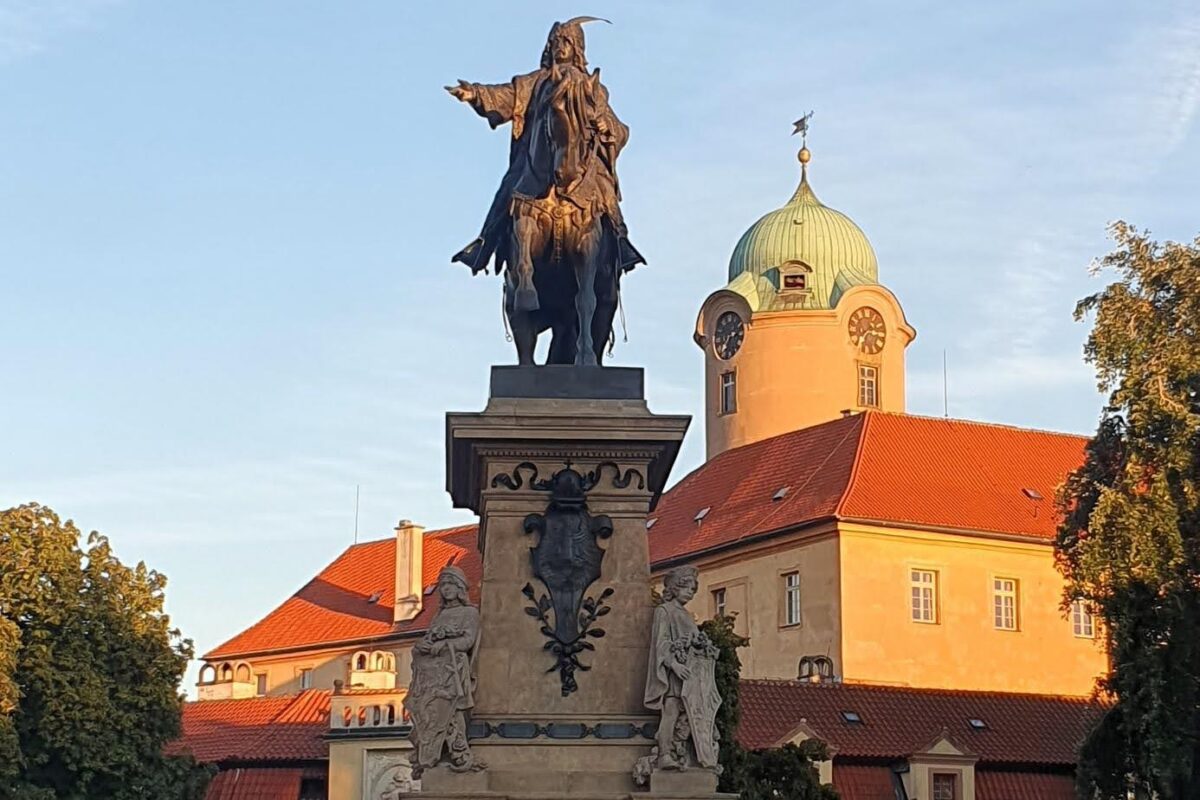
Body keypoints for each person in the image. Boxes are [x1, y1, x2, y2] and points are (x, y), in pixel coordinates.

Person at [445, 17, 643, 276]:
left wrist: (608, 128)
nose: (560, 46)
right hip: (537, 156)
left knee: (604, 186)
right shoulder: (535, 82)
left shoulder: (592, 88)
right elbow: (506, 96)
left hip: (582, 158)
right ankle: (485, 241)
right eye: (556, 42)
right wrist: (476, 93)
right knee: (509, 186)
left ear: (577, 48)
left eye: (566, 42)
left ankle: (620, 237)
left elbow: (619, 128)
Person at [402, 566, 484, 777]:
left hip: (453, 670)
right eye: (443, 585)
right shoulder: (440, 614)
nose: (446, 589)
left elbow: (468, 641)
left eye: (450, 584)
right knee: (427, 710)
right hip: (432, 675)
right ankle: (431, 752)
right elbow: (429, 638)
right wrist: (423, 645)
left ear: (460, 588)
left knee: (453, 710)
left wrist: (445, 645)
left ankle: (458, 749)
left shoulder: (470, 613)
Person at [644, 566, 722, 773]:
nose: (691, 593)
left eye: (693, 590)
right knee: (671, 711)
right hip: (676, 673)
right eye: (687, 588)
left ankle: (689, 753)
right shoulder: (664, 611)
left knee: (690, 715)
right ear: (675, 587)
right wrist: (674, 665)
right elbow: (661, 643)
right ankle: (664, 754)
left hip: (691, 676)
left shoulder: (687, 615)